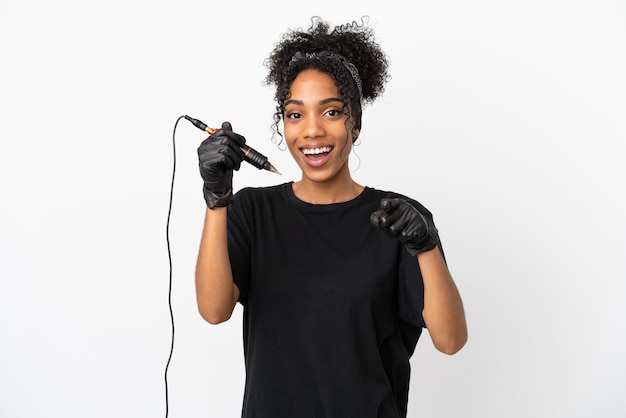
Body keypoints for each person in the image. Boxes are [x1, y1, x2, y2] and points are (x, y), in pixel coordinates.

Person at [195, 16, 467, 418]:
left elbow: (450, 340)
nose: (312, 131)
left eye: (332, 112)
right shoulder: (251, 211)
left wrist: (425, 247)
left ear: (355, 123)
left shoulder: (399, 219)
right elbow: (214, 310)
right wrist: (217, 198)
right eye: (295, 114)